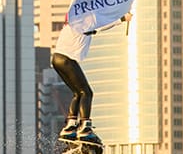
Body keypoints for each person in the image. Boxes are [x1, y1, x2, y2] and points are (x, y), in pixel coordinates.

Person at [52, 12, 133, 146]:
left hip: (57, 59)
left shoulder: (69, 26)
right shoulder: (81, 25)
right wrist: (122, 19)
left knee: (78, 93)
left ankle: (70, 127)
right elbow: (101, 26)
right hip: (67, 60)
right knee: (87, 93)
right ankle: (85, 128)